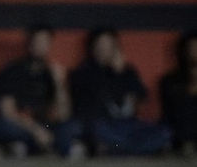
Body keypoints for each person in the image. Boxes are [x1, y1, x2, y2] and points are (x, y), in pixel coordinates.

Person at [0, 25, 83, 158]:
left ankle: (57, 158)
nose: (41, 47)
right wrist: (35, 130)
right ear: (30, 44)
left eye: (45, 42)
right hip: (21, 126)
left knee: (73, 127)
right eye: (38, 42)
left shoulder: (51, 74)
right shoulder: (12, 72)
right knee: (4, 127)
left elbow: (63, 115)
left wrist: (60, 84)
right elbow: (7, 112)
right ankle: (23, 148)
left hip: (44, 126)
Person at [70, 28, 170, 156]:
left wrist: (120, 74)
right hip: (103, 125)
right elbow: (91, 101)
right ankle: (135, 150)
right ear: (92, 47)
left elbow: (142, 95)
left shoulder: (126, 71)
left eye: (108, 45)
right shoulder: (83, 72)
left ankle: (120, 150)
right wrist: (113, 74)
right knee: (96, 130)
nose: (103, 49)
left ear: (115, 47)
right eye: (100, 45)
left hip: (128, 125)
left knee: (164, 132)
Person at [159, 31, 197, 156]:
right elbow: (170, 113)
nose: (194, 53)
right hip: (177, 134)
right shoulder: (170, 81)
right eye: (191, 48)